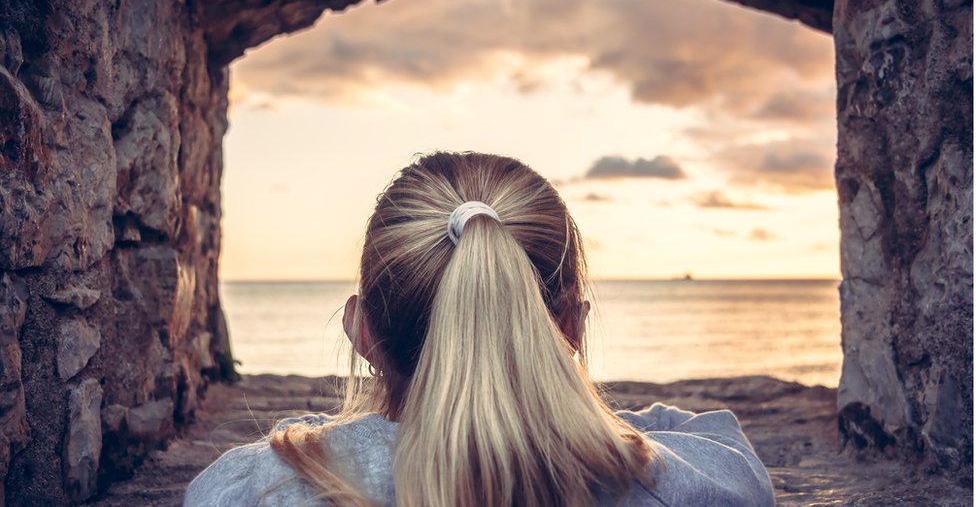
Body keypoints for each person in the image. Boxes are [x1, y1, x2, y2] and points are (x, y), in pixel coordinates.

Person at [185, 152, 775, 506]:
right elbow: (686, 435)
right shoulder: (710, 484)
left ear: (361, 332)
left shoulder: (254, 489)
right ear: (570, 327)